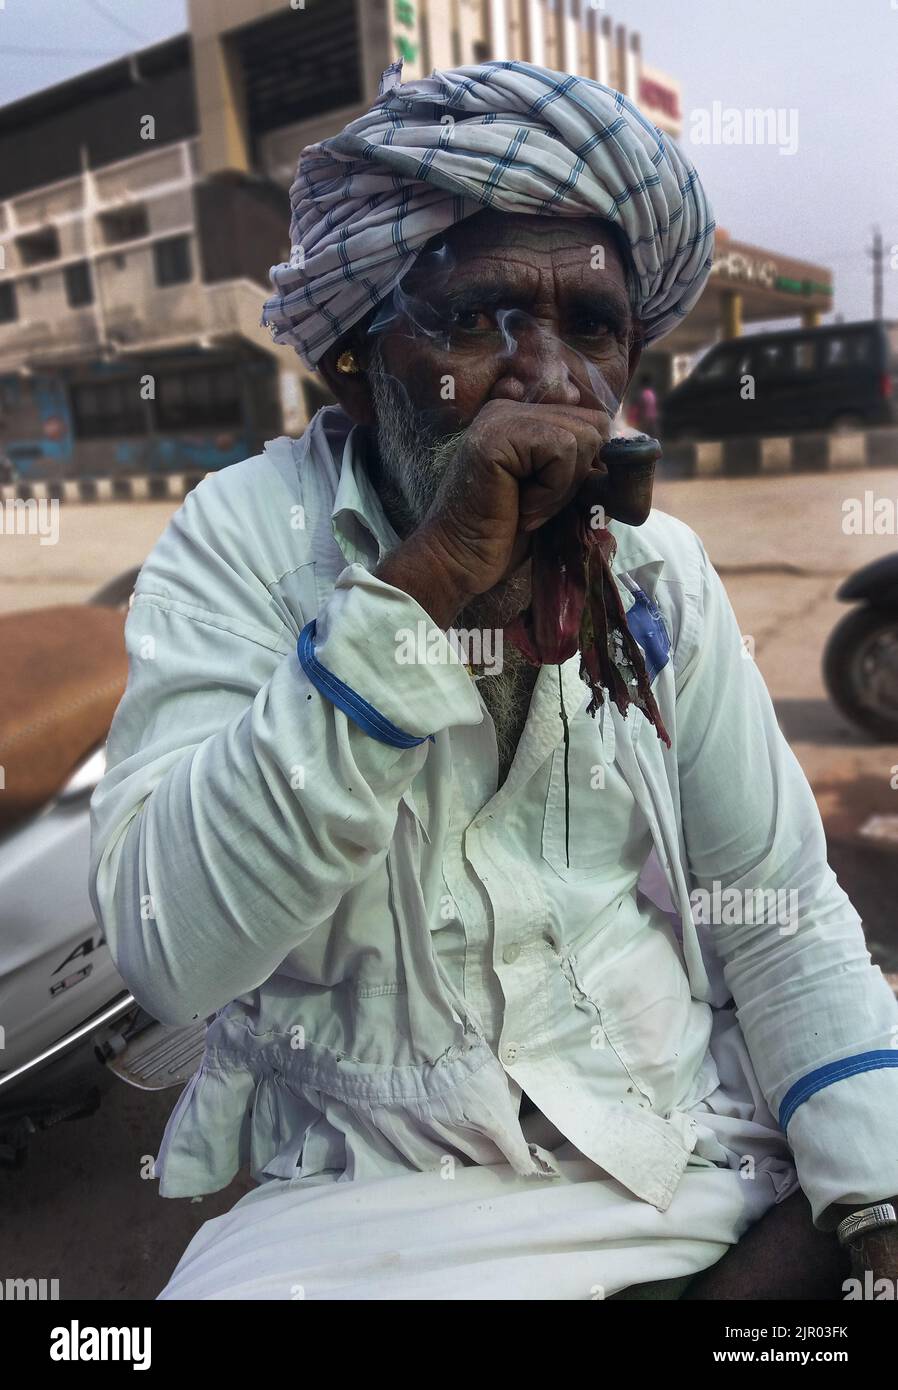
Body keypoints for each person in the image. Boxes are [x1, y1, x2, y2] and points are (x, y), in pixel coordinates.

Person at [89, 60, 898, 1301]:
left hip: (679, 1144)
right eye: (476, 320)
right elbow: (167, 949)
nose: (547, 379)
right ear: (354, 359)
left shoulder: (655, 573)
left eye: (589, 329)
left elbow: (776, 907)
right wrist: (420, 591)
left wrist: (873, 1206)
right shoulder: (241, 543)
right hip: (374, 1206)